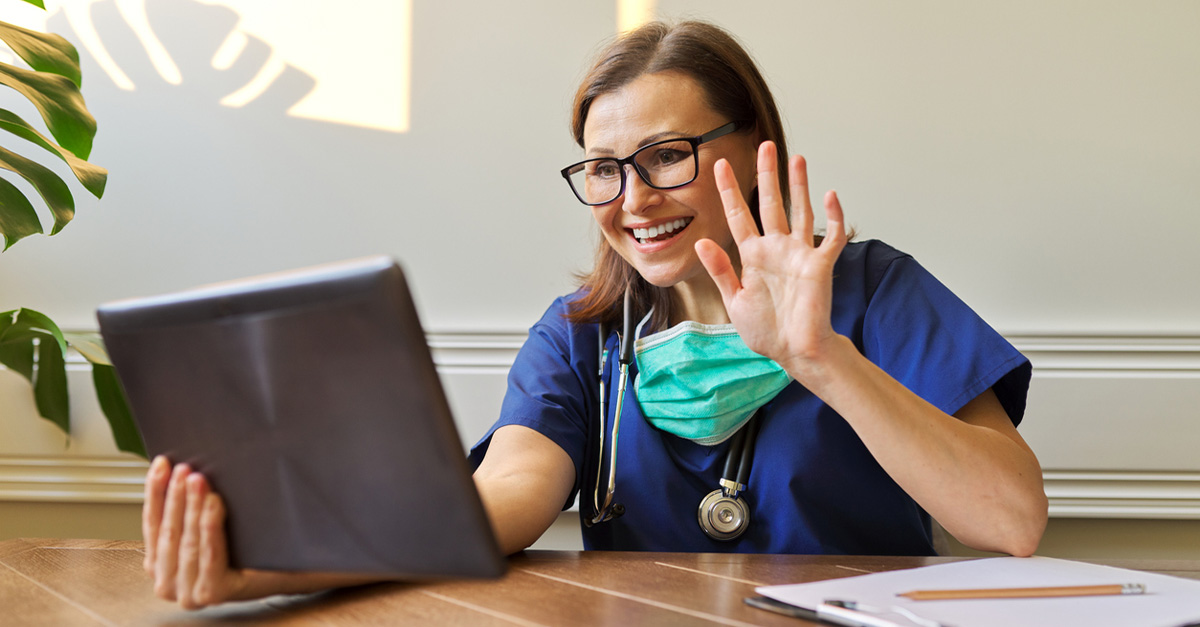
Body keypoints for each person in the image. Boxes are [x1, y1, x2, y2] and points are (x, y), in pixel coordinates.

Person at [142, 20, 1047, 608]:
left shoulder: (877, 293)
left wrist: (821, 359)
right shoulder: (579, 335)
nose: (632, 198)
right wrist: (261, 569)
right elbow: (499, 502)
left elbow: (1010, 519)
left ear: (756, 147)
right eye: (604, 168)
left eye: (666, 156)